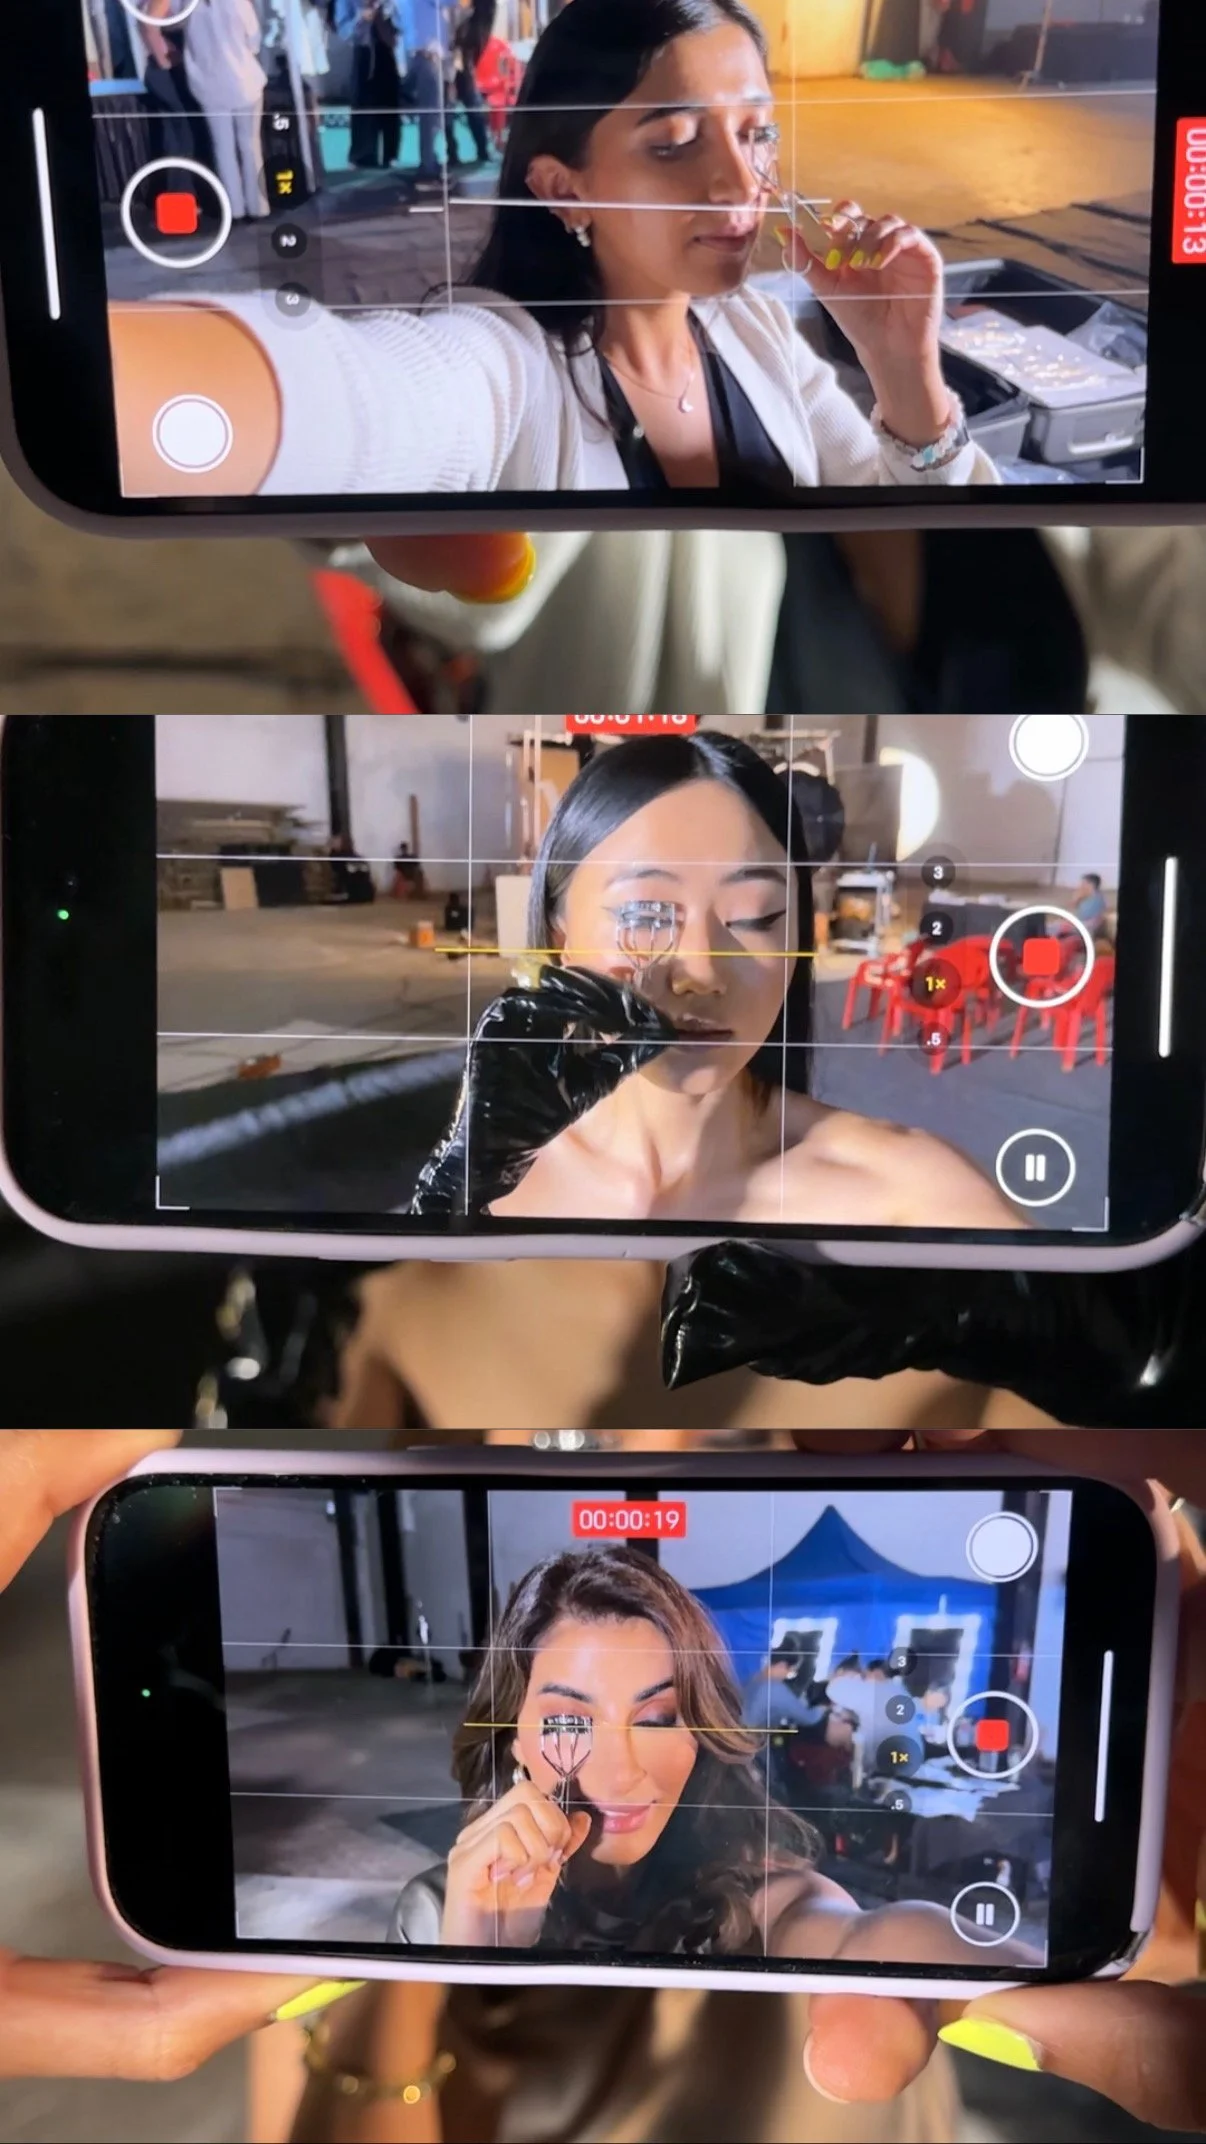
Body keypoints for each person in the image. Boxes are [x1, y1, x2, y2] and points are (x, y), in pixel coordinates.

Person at [114, 0, 1000, 495]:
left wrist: (904, 377)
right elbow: (357, 392)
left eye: (758, 135)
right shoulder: (506, 371)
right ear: (562, 188)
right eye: (675, 141)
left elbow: (939, 571)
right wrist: (116, 385)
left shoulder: (758, 332)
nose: (742, 184)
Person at [414, 730, 1027, 1232]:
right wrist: (453, 1198)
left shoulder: (906, 1199)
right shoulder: (486, 1177)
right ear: (558, 930)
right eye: (644, 915)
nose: (702, 971)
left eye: (755, 917)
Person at [387, 1543, 1026, 1966]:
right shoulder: (439, 1911)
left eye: (659, 1718)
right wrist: (476, 1966)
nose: (623, 1771)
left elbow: (861, 1935)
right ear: (515, 1737)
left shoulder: (758, 1902)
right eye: (567, 1721)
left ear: (698, 1732)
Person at [182, 0, 271, 220]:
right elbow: (254, 39)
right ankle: (258, 206)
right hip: (243, 81)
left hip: (208, 84)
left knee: (223, 148)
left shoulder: (186, 5)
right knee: (250, 145)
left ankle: (234, 209)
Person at [334, 0, 404, 171]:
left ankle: (391, 154)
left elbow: (402, 22)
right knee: (363, 103)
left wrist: (389, 14)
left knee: (390, 104)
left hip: (387, 49)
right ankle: (363, 155)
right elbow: (343, 31)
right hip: (364, 51)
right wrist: (361, 17)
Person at [448, 0, 495, 166]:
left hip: (461, 58)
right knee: (449, 107)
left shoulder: (480, 13)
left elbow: (475, 38)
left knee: (470, 105)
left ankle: (481, 149)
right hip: (451, 58)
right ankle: (453, 152)